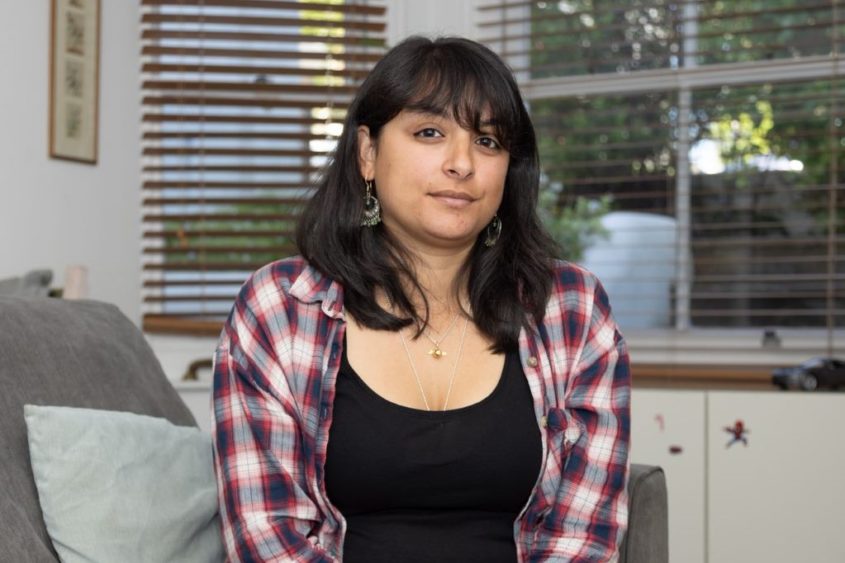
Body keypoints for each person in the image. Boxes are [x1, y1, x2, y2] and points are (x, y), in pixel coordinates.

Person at [212, 36, 631, 562]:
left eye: (488, 141)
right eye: (430, 132)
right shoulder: (280, 309)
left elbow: (582, 540)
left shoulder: (572, 310)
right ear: (368, 153)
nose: (462, 163)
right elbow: (266, 538)